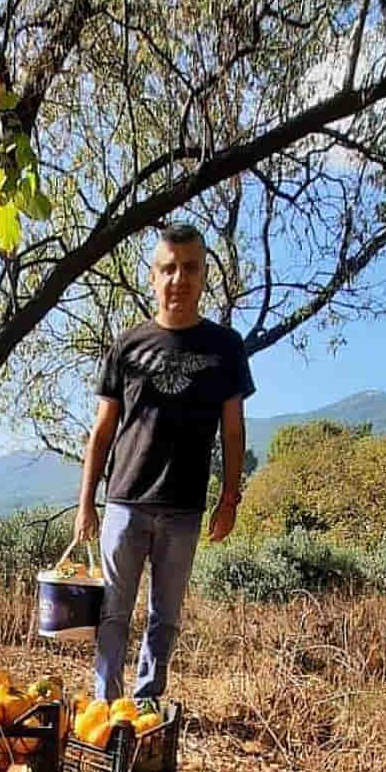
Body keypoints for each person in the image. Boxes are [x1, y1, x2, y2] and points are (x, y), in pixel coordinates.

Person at [74, 222, 255, 702]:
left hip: (185, 508)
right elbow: (102, 430)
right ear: (153, 278)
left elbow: (233, 429)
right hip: (124, 503)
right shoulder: (127, 346)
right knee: (112, 612)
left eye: (190, 268)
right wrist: (85, 503)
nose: (179, 278)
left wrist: (230, 498)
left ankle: (147, 708)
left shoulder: (225, 348)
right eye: (168, 269)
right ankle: (106, 710)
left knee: (165, 617)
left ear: (203, 276)